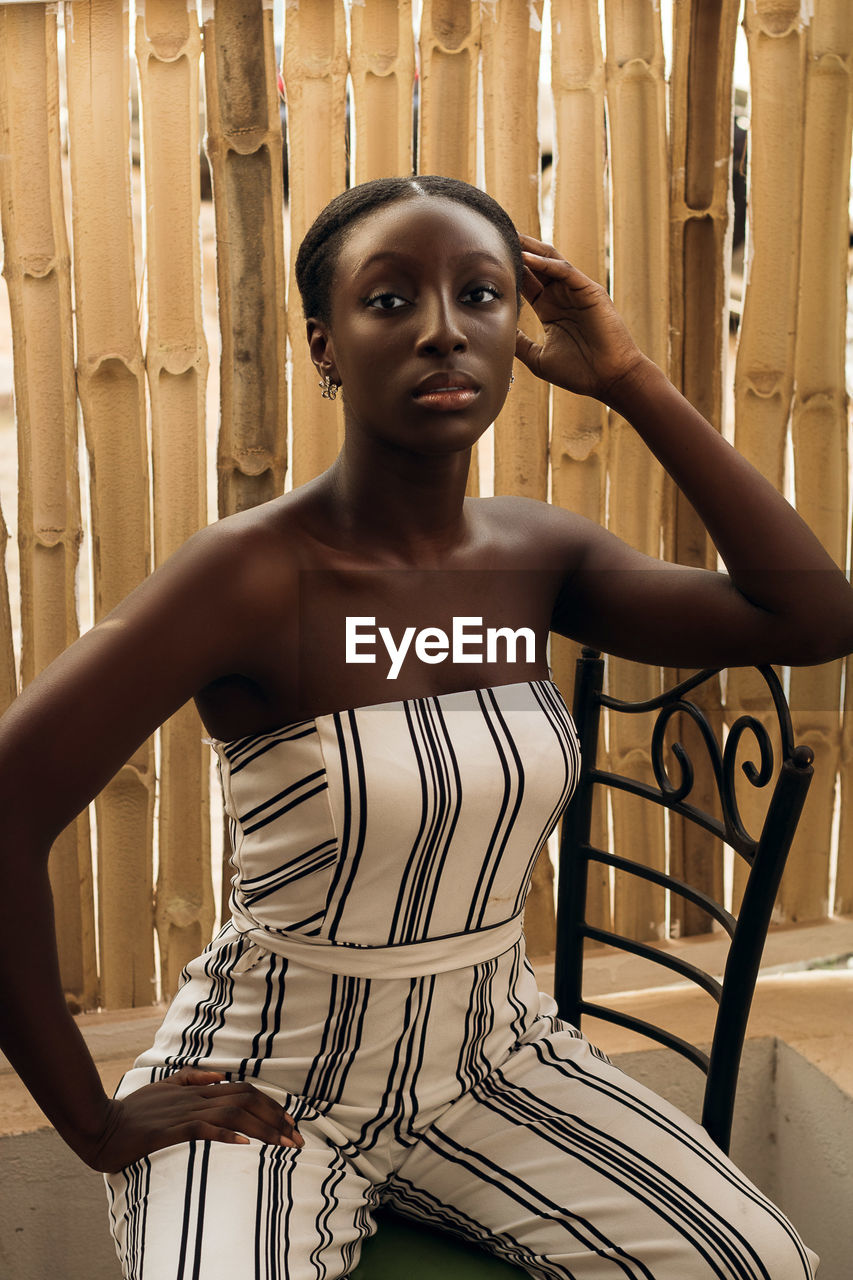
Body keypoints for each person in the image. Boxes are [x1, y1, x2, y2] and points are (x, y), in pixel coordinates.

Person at [0, 174, 847, 1279]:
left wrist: (630, 380)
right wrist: (93, 1122)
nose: (444, 329)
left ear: (516, 331)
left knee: (757, 1261)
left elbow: (811, 616)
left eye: (482, 296)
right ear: (325, 345)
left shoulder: (539, 557)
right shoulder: (250, 578)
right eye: (391, 301)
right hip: (268, 1072)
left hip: (499, 1055)